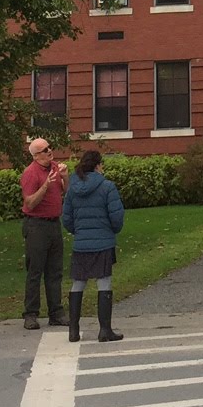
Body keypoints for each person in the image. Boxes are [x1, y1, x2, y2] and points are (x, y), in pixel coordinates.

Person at [60, 148, 126, 342]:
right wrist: (111, 231)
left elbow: (67, 218)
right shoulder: (107, 187)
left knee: (78, 283)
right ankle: (105, 329)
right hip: (103, 242)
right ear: (98, 165)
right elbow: (116, 216)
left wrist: (78, 232)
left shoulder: (73, 188)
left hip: (81, 244)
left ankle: (73, 330)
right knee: (103, 282)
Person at [18, 137, 66, 330]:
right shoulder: (31, 173)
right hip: (36, 226)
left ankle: (56, 312)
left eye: (50, 148)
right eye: (45, 150)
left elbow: (64, 192)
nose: (49, 152)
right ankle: (30, 313)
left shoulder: (54, 167)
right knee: (35, 270)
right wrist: (45, 185)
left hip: (54, 224)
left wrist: (65, 177)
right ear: (36, 155)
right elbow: (29, 202)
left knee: (55, 271)